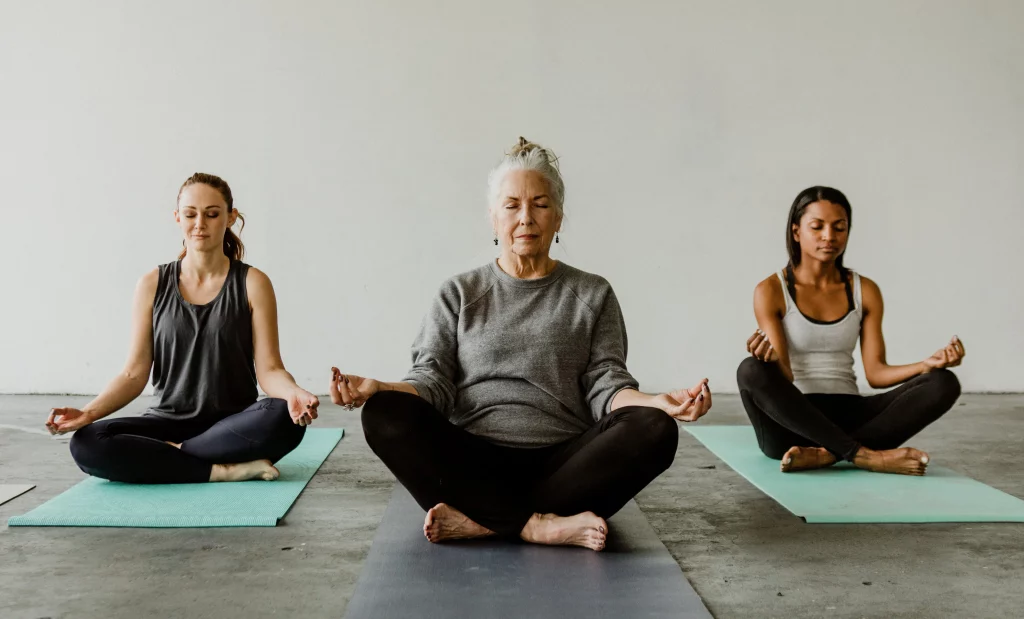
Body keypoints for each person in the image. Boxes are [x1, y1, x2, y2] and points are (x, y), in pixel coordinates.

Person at [330, 137, 712, 552]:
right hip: (473, 463)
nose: (526, 217)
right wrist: (378, 388)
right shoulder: (459, 292)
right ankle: (537, 524)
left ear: (559, 218)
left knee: (655, 429)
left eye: (540, 204)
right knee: (384, 414)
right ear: (493, 218)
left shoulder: (593, 293)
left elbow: (607, 384)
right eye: (512, 206)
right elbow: (432, 382)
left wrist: (658, 402)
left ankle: (487, 522)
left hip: (567, 464)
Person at [45, 173, 320, 484]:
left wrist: (294, 393)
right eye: (190, 214)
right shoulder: (151, 284)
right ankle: (220, 470)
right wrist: (89, 413)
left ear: (230, 218)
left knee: (284, 417)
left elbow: (270, 369)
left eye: (212, 214)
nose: (199, 223)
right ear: (177, 218)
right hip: (166, 422)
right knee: (86, 442)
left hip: (233, 426)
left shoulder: (253, 283)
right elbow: (134, 374)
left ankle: (168, 455)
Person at [737, 186, 964, 476]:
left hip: (851, 417)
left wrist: (926, 365)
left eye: (839, 228)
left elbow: (876, 373)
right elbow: (787, 376)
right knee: (750, 370)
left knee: (943, 383)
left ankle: (830, 455)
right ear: (796, 232)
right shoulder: (771, 290)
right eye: (817, 227)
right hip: (792, 424)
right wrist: (768, 362)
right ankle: (864, 455)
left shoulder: (864, 290)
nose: (829, 237)